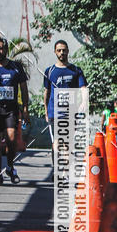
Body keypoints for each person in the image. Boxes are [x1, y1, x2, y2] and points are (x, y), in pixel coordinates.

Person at [0, 37, 29, 185]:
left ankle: (10, 167)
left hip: (10, 110)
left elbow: (23, 88)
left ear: (6, 49)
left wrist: (25, 108)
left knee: (11, 139)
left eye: (1, 48)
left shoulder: (16, 67)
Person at [43, 40, 88, 174]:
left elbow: (83, 88)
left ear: (68, 51)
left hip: (71, 113)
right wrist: (46, 111)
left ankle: (64, 172)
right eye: (59, 50)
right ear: (55, 52)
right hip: (54, 112)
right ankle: (57, 170)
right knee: (57, 142)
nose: (62, 52)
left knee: (67, 143)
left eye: (64, 50)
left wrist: (84, 102)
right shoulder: (50, 71)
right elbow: (46, 93)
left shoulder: (76, 70)